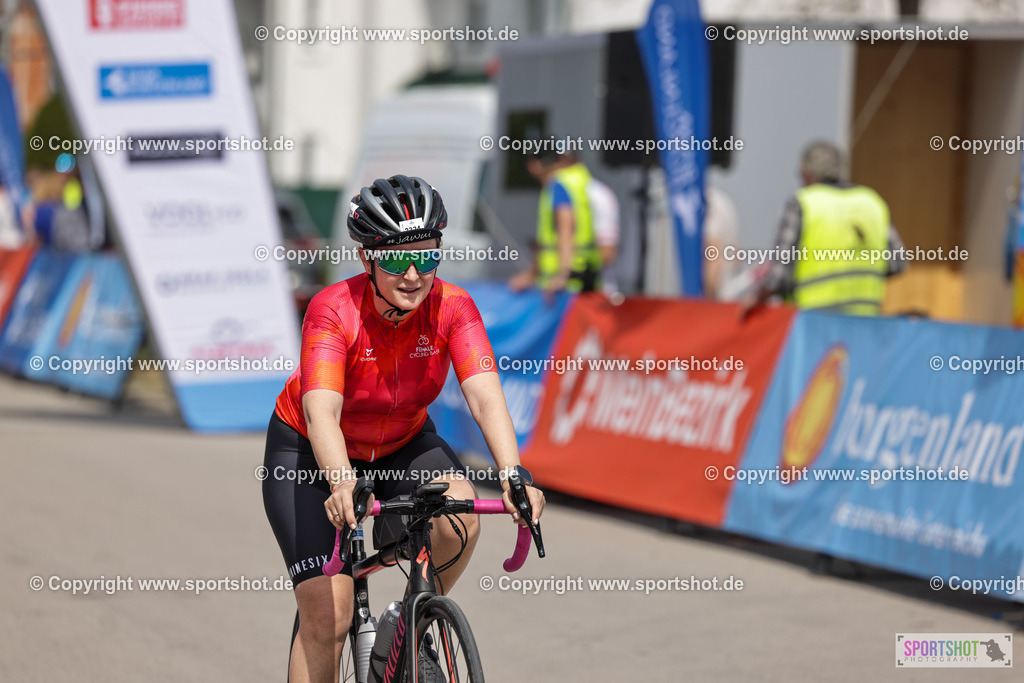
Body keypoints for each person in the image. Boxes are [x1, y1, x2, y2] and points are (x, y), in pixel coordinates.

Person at [263, 175, 545, 683]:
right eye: (395, 259)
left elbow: (484, 394)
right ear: (367, 257)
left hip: (401, 441)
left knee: (461, 515)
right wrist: (340, 481)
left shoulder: (453, 307)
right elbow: (321, 411)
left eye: (428, 256)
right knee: (329, 615)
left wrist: (513, 472)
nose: (413, 274)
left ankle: (405, 625)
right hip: (311, 452)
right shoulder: (332, 310)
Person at [744, 140, 905, 316]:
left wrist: (755, 299)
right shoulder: (871, 202)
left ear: (805, 172)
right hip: (864, 321)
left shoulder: (801, 203)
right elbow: (897, 263)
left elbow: (779, 274)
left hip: (813, 322)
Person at [509, 150, 603, 294]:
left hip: (566, 287)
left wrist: (562, 275)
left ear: (533, 165)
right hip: (583, 276)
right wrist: (532, 275)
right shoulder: (580, 180)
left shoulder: (559, 185)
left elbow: (566, 230)